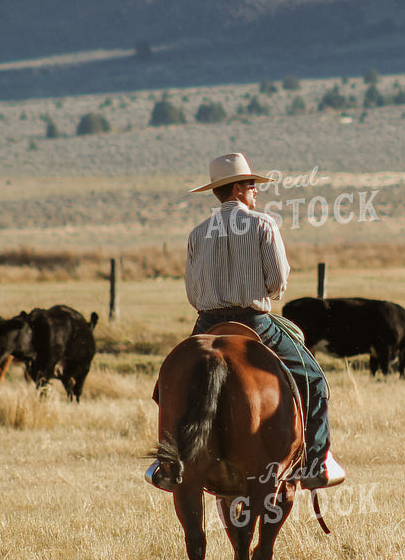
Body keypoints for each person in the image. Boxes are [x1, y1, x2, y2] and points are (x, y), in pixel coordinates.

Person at [146, 152, 345, 491]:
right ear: (237, 188)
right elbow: (278, 283)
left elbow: (193, 293)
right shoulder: (264, 224)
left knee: (166, 387)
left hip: (207, 324)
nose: (256, 191)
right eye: (252, 185)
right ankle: (315, 460)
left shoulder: (197, 233)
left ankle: (167, 462)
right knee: (313, 379)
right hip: (256, 323)